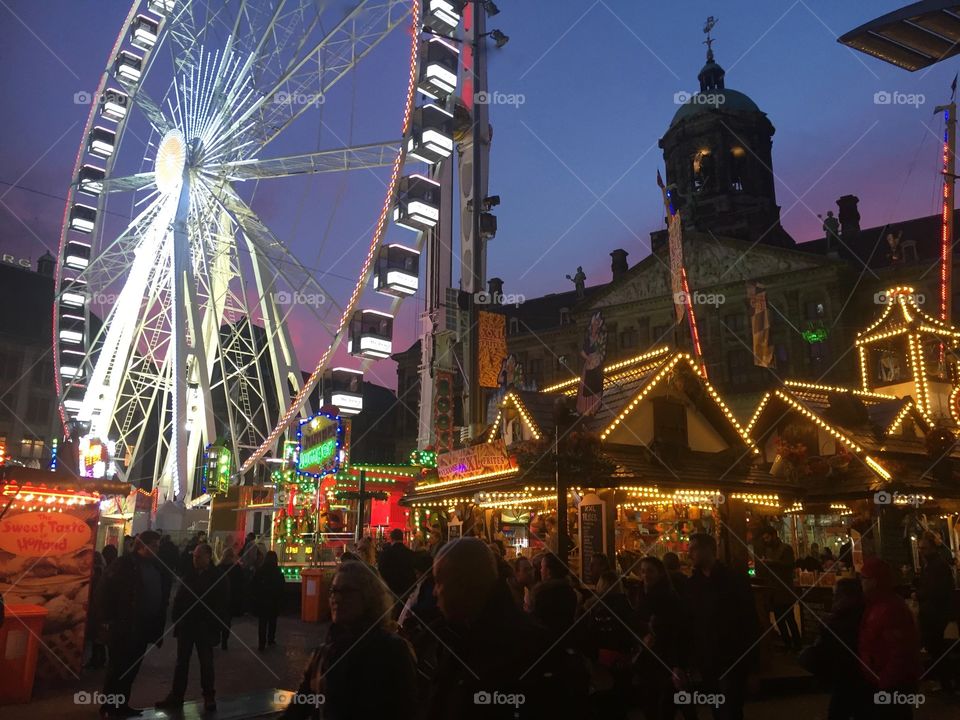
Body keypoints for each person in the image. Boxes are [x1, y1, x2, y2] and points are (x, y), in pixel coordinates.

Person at [423, 537, 580, 719]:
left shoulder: (518, 649)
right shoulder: (456, 635)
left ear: (464, 583)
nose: (435, 591)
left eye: (440, 581)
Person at [284, 560, 418, 719]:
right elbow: (300, 705)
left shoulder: (392, 651)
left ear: (369, 597)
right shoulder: (323, 653)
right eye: (333, 591)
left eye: (346, 591)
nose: (337, 599)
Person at [682, 533, 759, 720]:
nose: (689, 553)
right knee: (718, 708)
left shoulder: (733, 581)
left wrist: (753, 666)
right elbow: (690, 623)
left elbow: (750, 622)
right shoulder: (693, 585)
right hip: (707, 659)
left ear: (710, 550)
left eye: (694, 549)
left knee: (730, 709)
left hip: (731, 657)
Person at [98, 530, 170, 717]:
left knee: (131, 669)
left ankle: (122, 705)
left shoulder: (156, 566)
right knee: (117, 668)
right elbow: (105, 591)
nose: (157, 549)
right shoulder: (124, 564)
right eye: (154, 545)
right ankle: (109, 706)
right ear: (142, 545)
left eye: (158, 545)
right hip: (124, 625)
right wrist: (107, 619)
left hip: (144, 626)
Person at [156, 543, 229, 713]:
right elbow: (180, 598)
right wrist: (177, 618)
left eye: (198, 557)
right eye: (194, 556)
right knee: (182, 662)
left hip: (204, 626)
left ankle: (208, 696)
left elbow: (222, 603)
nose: (194, 560)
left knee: (206, 663)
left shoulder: (217, 577)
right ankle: (177, 695)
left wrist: (215, 624)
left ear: (208, 557)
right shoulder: (191, 575)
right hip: (187, 626)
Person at [858, 557, 921, 719]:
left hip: (890, 683)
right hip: (882, 680)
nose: (861, 583)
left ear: (874, 581)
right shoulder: (876, 604)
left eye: (864, 578)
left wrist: (885, 681)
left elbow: (899, 650)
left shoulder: (888, 608)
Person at [799, 578, 868, 720]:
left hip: (843, 677)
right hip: (863, 676)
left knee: (839, 710)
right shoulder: (867, 614)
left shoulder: (834, 621)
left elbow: (819, 652)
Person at [635, 557, 684, 720]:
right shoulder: (641, 594)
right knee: (650, 702)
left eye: (650, 571)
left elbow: (676, 631)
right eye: (642, 571)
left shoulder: (669, 598)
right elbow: (636, 622)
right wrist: (643, 636)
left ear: (660, 573)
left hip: (665, 657)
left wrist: (677, 664)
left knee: (663, 705)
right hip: (647, 657)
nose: (645, 575)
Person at [585, 571, 638, 720]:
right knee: (620, 698)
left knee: (604, 699)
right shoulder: (626, 605)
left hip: (602, 657)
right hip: (623, 658)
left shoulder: (594, 606)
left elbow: (589, 633)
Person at [916, 531, 956, 692]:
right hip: (934, 612)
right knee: (936, 649)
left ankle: (945, 684)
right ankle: (944, 682)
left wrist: (918, 593)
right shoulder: (932, 565)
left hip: (935, 614)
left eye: (924, 548)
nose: (921, 551)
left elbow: (936, 591)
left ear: (932, 548)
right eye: (920, 548)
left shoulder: (937, 566)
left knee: (937, 649)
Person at [757, 526, 801, 651]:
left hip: (784, 589)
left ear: (774, 535)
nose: (766, 540)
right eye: (764, 538)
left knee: (789, 618)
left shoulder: (786, 549)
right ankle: (788, 644)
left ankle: (797, 645)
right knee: (779, 619)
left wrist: (771, 562)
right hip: (774, 590)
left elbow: (789, 565)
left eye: (767, 537)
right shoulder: (769, 550)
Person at [252, 550, 286, 650]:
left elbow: (254, 584)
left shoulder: (260, 570)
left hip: (262, 600)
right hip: (273, 600)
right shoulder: (277, 571)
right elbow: (281, 586)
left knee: (262, 622)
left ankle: (261, 642)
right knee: (272, 621)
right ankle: (271, 639)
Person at [377, 528, 416, 612]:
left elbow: (380, 572)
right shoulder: (410, 554)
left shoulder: (385, 554)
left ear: (391, 538)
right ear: (403, 538)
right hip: (407, 592)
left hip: (390, 591)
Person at [218, 547, 245, 650]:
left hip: (220, 597)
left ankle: (218, 636)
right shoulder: (236, 568)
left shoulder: (219, 567)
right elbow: (241, 583)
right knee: (227, 620)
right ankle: (224, 639)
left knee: (219, 617)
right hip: (231, 597)